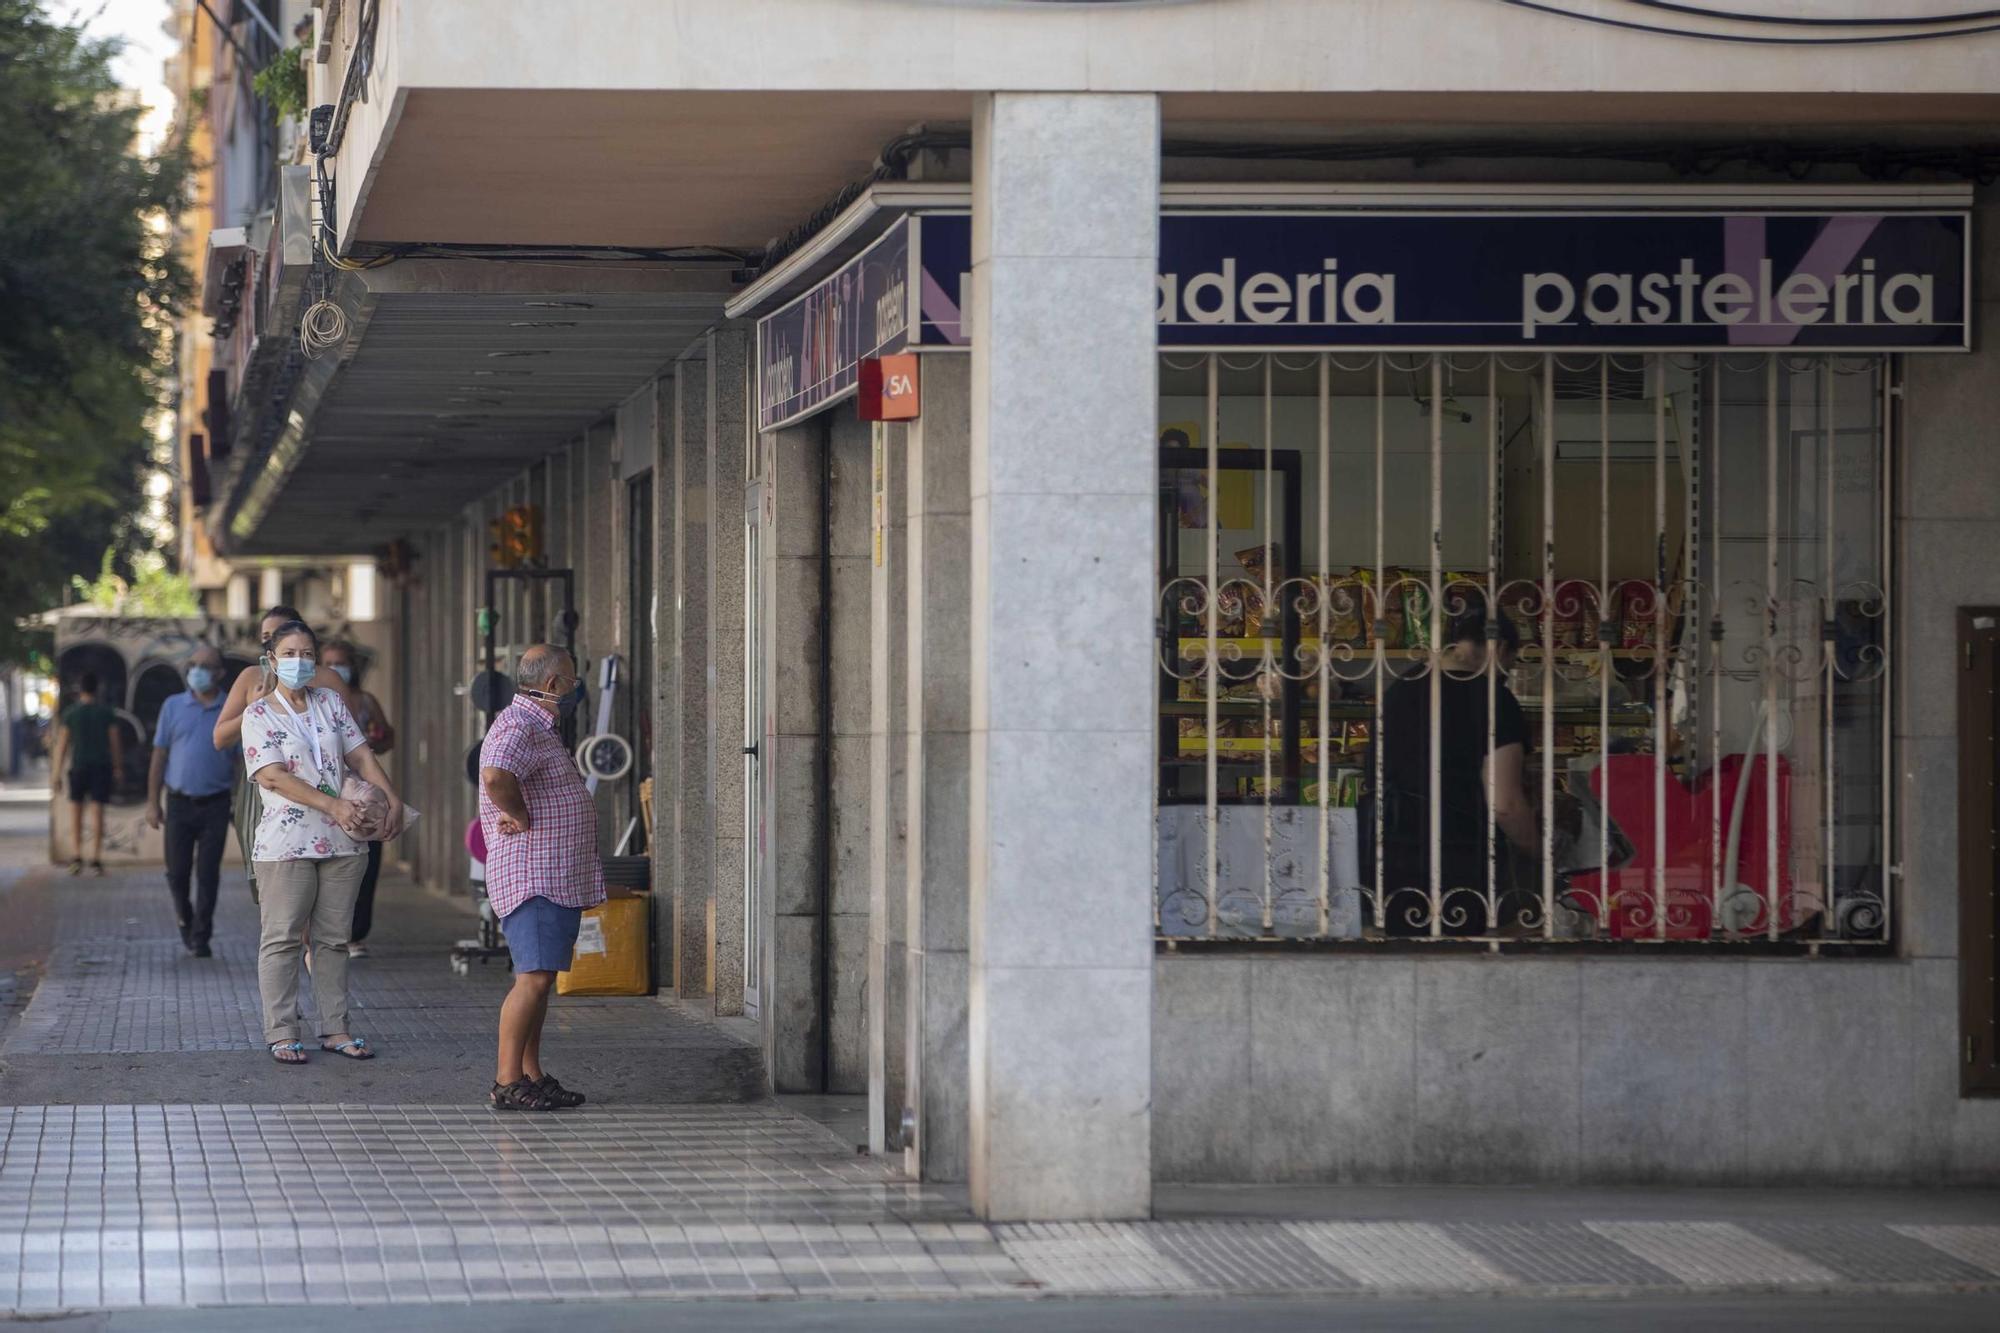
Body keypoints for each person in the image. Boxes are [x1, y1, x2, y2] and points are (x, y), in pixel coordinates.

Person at [243, 620, 403, 1064]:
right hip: (286, 845)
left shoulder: (330, 702)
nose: (300, 662)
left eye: (307, 654)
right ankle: (281, 1031)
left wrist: (390, 797)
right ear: (272, 660)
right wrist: (331, 805)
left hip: (343, 841)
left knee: (333, 940)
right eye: (290, 654)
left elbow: (360, 755)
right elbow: (273, 776)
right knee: (283, 939)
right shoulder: (259, 714)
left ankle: (335, 1029)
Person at [479, 643, 603, 1112]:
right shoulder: (520, 724)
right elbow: (494, 775)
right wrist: (518, 815)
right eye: (571, 679)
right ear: (552, 684)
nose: (575, 687)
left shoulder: (537, 725)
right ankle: (507, 1081)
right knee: (531, 980)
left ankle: (530, 1074)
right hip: (536, 876)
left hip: (551, 875)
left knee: (540, 979)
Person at [1369, 607, 1538, 937]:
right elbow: (1505, 803)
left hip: (1392, 857)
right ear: (1499, 648)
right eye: (1511, 662)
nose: (1506, 672)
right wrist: (1539, 850)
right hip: (1462, 862)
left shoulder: (1399, 690)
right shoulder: (1493, 699)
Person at [216, 604, 358, 901]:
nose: (273, 641)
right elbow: (219, 737)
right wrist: (261, 705)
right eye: (266, 637)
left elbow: (354, 743)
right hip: (266, 790)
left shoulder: (328, 683)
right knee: (273, 883)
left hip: (326, 788)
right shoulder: (250, 677)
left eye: (279, 634)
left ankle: (315, 943)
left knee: (326, 885)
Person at [145, 646, 237, 956]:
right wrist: (152, 802)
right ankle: (185, 918)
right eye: (193, 664)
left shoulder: (231, 708)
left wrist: (239, 802)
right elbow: (159, 754)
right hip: (179, 803)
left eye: (206, 666)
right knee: (177, 873)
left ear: (220, 673)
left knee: (208, 873)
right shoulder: (173, 706)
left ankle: (201, 936)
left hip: (216, 803)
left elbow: (242, 762)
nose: (197, 670)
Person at [321, 641, 394, 958]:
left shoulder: (364, 701)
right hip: (330, 799)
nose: (337, 668)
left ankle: (355, 933)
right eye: (329, 662)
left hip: (365, 796)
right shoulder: (317, 703)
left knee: (366, 866)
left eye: (342, 662)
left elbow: (387, 736)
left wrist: (376, 739)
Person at [52, 671, 122, 875]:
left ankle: (76, 856)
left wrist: (56, 773)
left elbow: (63, 745)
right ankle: (96, 858)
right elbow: (115, 742)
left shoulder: (71, 714)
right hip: (101, 767)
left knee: (76, 813)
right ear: (97, 688)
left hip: (79, 767)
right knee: (98, 812)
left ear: (80, 689)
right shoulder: (106, 712)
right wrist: (118, 767)